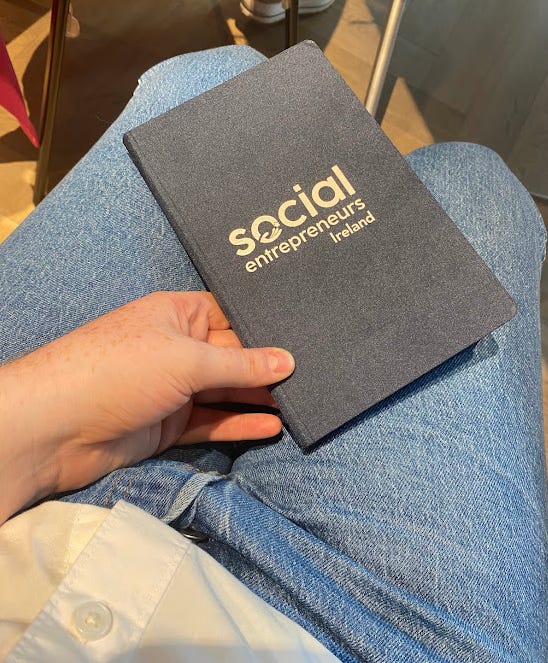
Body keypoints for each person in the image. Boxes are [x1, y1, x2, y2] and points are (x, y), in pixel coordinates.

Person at [0, 45, 546, 662]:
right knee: (473, 183)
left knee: (211, 80)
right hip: (352, 633)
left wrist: (22, 422)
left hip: (24, 524)